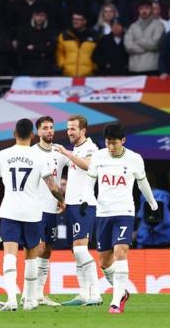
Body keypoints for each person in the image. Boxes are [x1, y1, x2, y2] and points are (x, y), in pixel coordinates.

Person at [0, 118, 65, 311]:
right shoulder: (39, 157)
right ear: (32, 135)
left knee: (10, 255)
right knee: (31, 256)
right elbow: (52, 185)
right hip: (33, 213)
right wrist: (61, 199)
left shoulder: (4, 155)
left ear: (14, 134)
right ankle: (29, 300)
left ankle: (12, 299)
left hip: (10, 211)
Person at [82, 124, 159, 314]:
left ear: (122, 141)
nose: (111, 147)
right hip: (103, 213)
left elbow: (143, 183)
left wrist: (153, 203)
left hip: (124, 212)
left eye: (114, 143)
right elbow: (90, 180)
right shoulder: (99, 156)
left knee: (120, 251)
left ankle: (115, 302)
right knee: (105, 262)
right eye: (108, 143)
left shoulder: (134, 159)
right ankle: (122, 292)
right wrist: (85, 199)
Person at [52, 115, 102, 306]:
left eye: (73, 129)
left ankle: (96, 294)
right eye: (68, 128)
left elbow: (89, 166)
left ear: (83, 131)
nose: (69, 132)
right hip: (72, 204)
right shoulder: (77, 148)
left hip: (84, 204)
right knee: (76, 251)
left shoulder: (91, 148)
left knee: (81, 250)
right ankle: (83, 294)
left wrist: (66, 153)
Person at [24, 116, 69, 306]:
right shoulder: (31, 153)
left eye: (51, 127)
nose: (49, 131)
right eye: (45, 128)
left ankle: (40, 294)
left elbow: (77, 166)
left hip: (52, 209)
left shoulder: (60, 152)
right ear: (37, 132)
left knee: (47, 250)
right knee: (37, 248)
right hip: (36, 209)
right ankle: (28, 294)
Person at [124, 0, 165, 74]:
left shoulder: (158, 25)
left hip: (152, 68)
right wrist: (146, 48)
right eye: (141, 8)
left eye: (147, 8)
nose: (144, 11)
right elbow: (128, 46)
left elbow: (155, 44)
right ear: (138, 10)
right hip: (134, 69)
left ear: (151, 9)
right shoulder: (133, 26)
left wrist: (137, 40)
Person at [56, 10, 98, 77]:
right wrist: (62, 65)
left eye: (78, 19)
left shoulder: (94, 36)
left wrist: (94, 67)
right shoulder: (65, 35)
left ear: (84, 21)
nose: (75, 21)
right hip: (68, 75)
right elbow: (59, 52)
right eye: (73, 19)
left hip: (88, 76)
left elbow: (98, 54)